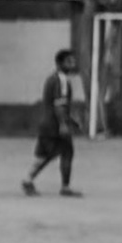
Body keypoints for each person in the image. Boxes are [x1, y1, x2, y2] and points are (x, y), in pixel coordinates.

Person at [24, 48, 83, 197]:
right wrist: (64, 124)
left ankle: (28, 180)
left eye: (73, 61)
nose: (72, 65)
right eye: (69, 62)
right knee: (65, 152)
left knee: (47, 155)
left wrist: (72, 120)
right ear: (60, 63)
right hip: (54, 125)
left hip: (47, 123)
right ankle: (65, 187)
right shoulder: (61, 80)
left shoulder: (51, 78)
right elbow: (59, 105)